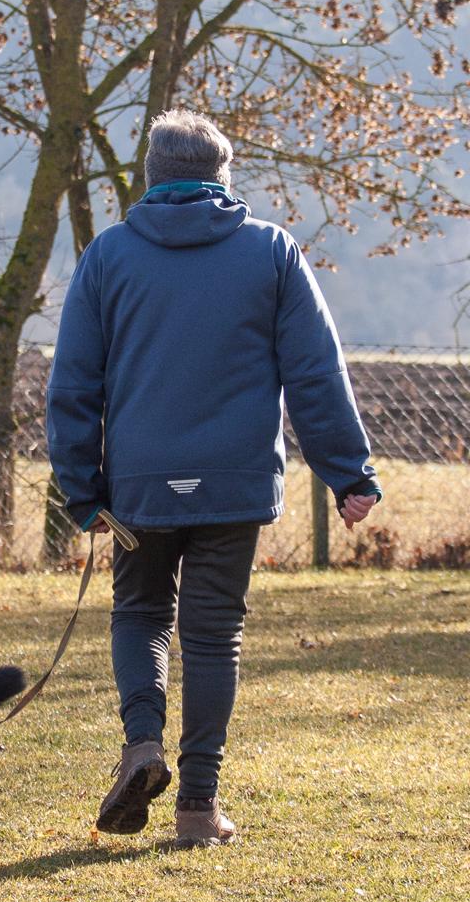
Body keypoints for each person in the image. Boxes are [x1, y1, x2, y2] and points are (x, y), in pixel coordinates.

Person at [46, 109, 381, 849]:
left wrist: (82, 489)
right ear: (222, 178)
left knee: (141, 613)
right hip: (236, 480)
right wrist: (348, 472)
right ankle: (198, 807)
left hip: (139, 485)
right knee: (213, 634)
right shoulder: (272, 251)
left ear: (152, 176)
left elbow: (72, 384)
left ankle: (142, 744)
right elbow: (315, 372)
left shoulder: (108, 256)